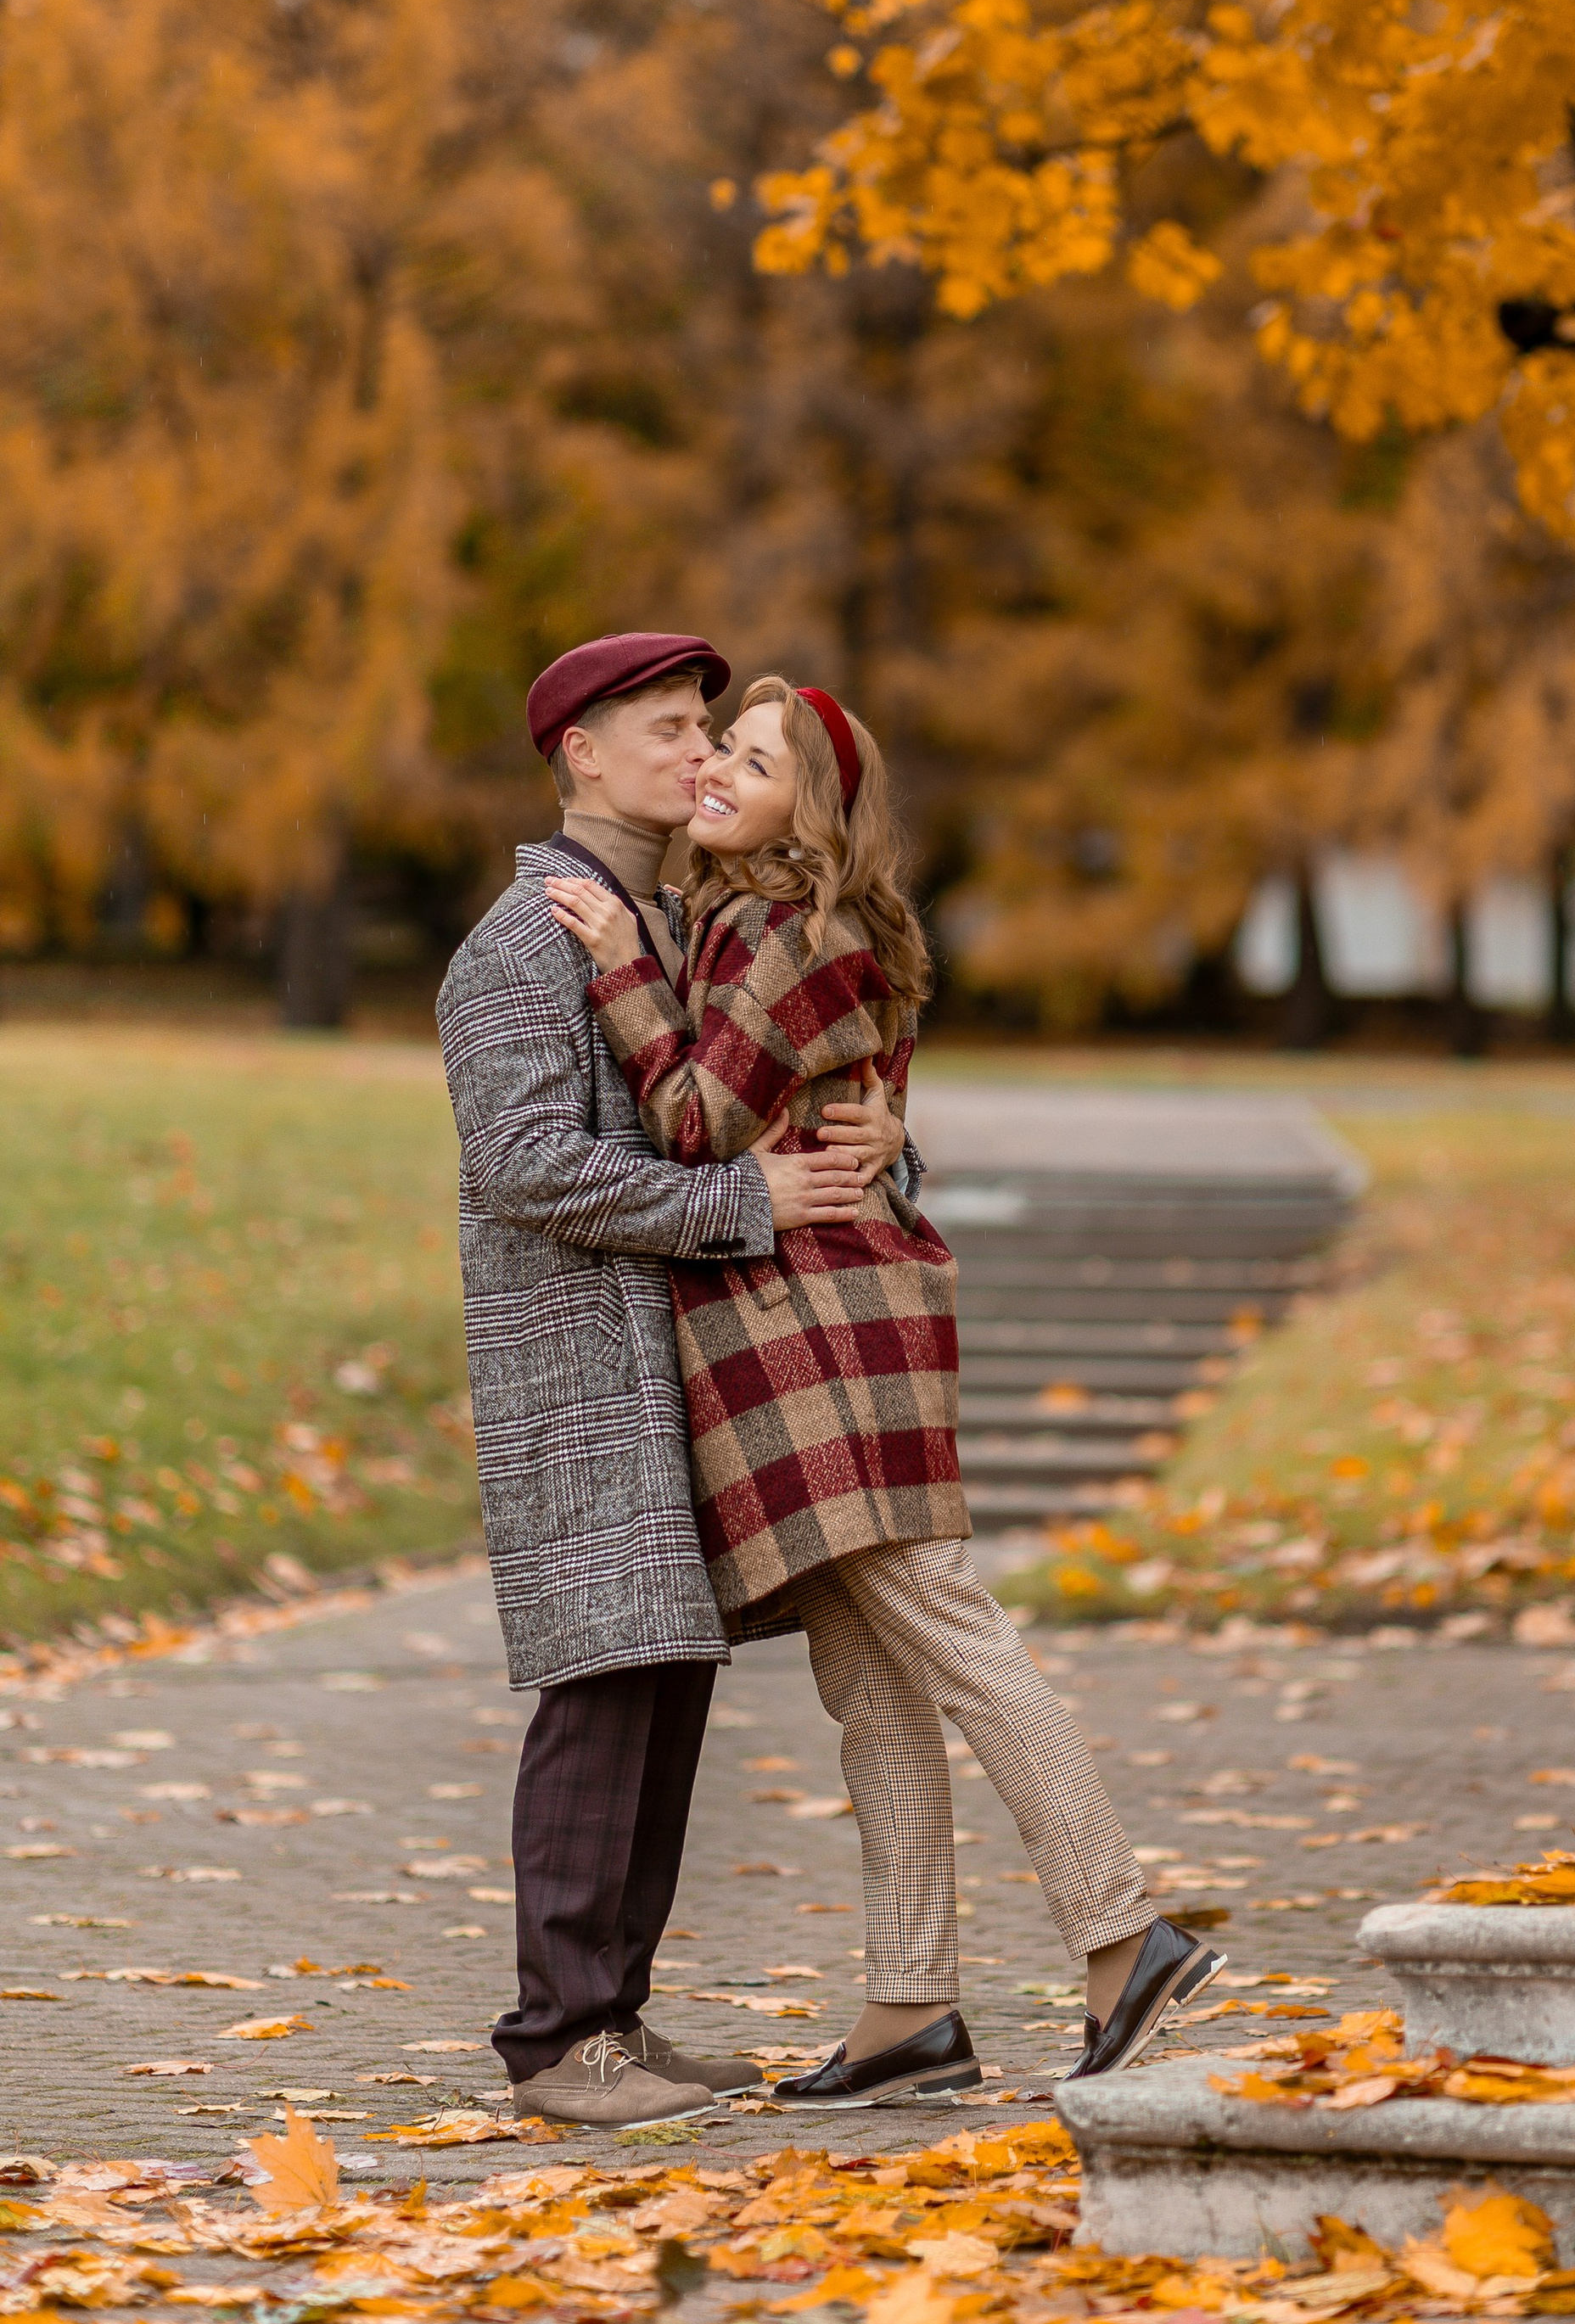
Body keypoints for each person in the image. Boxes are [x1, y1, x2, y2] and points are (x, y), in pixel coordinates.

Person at [546, 674, 1225, 2103]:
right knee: (871, 1684)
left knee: (948, 1630)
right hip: (807, 1325)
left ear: (816, 805)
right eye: (719, 744)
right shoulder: (752, 917)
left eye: (756, 759)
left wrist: (615, 958)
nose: (721, 768)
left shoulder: (789, 927)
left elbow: (692, 1121)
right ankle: (909, 2006)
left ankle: (1123, 1934)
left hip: (829, 1333)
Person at [437, 631, 910, 2130]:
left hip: (694, 1367)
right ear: (578, 751)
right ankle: (557, 2040)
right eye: (663, 727)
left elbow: (767, 1097)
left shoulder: (681, 917)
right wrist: (748, 1204)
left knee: (666, 1691)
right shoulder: (522, 942)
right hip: (580, 1363)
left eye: (709, 726)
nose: (698, 751)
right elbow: (523, 1168)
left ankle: (615, 2026)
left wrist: (874, 1138)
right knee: (598, 1691)